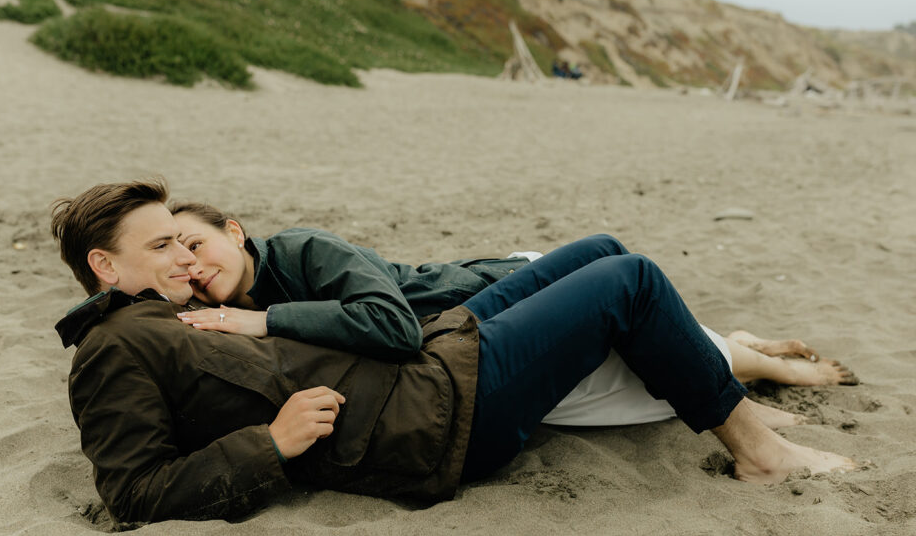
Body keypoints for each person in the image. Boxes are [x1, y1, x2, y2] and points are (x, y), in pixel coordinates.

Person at [51, 179, 856, 526]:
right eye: (163, 247)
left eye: (184, 242)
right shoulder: (113, 351)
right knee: (631, 282)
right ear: (106, 268)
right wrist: (271, 443)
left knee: (598, 252)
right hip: (432, 418)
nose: (187, 261)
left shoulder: (186, 309)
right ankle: (761, 453)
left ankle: (726, 368)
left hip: (428, 363)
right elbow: (134, 491)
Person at [169, 202, 857, 427]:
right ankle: (741, 350)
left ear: (234, 231)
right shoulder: (228, 308)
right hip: (476, 328)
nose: (196, 270)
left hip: (503, 290)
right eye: (184, 271)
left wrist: (267, 321)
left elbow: (390, 326)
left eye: (197, 245)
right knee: (647, 342)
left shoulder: (301, 251)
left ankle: (762, 369)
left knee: (643, 337)